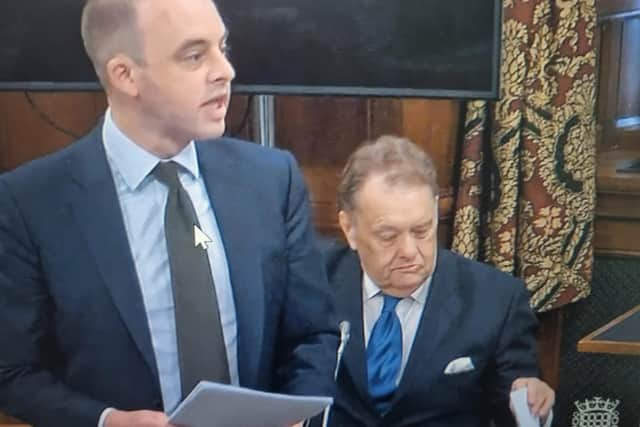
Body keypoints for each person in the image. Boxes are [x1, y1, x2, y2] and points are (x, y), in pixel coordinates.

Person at [0, 0, 338, 426]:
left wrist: (299, 415)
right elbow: (13, 372)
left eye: (222, 47)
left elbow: (312, 335)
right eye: (194, 55)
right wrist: (106, 421)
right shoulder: (29, 203)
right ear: (125, 75)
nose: (225, 71)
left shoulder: (272, 180)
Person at [319, 135, 555, 427]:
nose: (409, 251)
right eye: (388, 236)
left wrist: (533, 405)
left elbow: (518, 403)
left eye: (421, 231)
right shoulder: (314, 284)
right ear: (349, 228)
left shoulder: (494, 300)